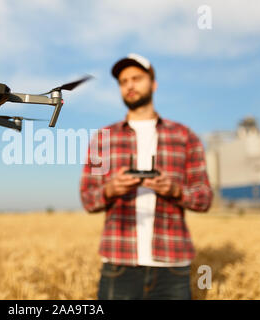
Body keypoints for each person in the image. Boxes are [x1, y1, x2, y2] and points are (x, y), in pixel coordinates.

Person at [79, 53, 213, 300]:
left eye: (137, 78)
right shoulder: (102, 138)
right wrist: (111, 189)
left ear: (154, 84)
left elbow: (204, 198)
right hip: (118, 263)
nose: (129, 85)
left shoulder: (185, 136)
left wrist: (175, 190)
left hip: (173, 266)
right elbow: (88, 199)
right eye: (123, 81)